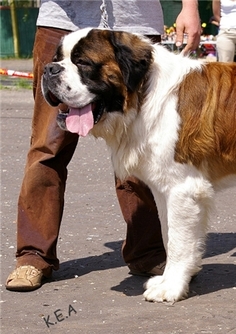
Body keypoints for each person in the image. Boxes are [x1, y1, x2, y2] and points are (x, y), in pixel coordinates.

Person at [5, 0, 201, 292]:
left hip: (135, 23)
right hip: (64, 20)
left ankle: (147, 253)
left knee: (145, 149)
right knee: (48, 148)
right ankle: (34, 256)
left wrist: (190, 6)